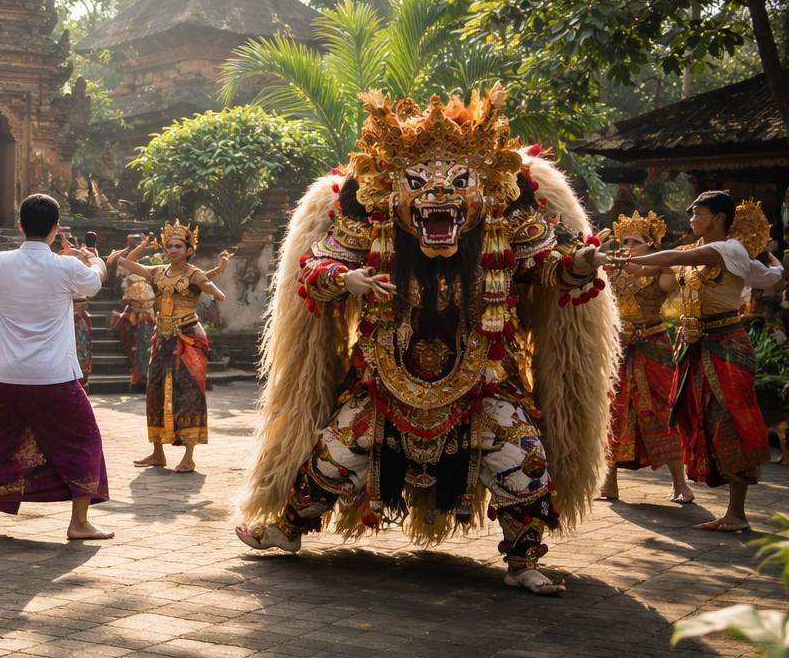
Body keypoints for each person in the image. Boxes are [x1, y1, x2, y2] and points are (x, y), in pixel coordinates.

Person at [235, 87, 619, 595]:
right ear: (391, 192)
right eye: (418, 184)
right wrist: (345, 280)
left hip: (483, 382)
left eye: (459, 183)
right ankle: (288, 529)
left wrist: (581, 265)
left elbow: (548, 267)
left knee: (525, 464)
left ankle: (524, 559)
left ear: (485, 190)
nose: (438, 196)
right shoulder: (371, 225)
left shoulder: (507, 222)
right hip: (384, 382)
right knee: (332, 455)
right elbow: (316, 268)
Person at [0, 193, 113, 541]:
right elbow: (95, 281)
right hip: (56, 375)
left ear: (20, 225)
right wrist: (96, 260)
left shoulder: (2, 263)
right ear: (56, 228)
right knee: (83, 440)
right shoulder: (67, 267)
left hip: (8, 374)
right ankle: (79, 522)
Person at [617, 192, 783, 533]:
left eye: (699, 212)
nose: (691, 217)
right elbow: (767, 276)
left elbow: (679, 256)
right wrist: (614, 260)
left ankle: (737, 513)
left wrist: (774, 266)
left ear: (720, 217)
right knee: (701, 418)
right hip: (695, 346)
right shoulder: (709, 256)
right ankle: (730, 510)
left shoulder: (728, 249)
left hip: (725, 345)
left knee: (730, 421)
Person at [116, 222, 230, 473]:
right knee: (154, 390)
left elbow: (208, 286)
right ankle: (158, 453)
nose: (172, 250)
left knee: (189, 392)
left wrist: (215, 290)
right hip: (163, 338)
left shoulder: (194, 273)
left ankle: (189, 456)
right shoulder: (158, 272)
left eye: (178, 246)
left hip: (188, 337)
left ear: (189, 250)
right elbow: (126, 263)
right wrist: (142, 247)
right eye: (169, 246)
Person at [600, 211, 692, 504]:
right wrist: (599, 252)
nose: (628, 246)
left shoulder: (659, 268)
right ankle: (609, 483)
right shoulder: (614, 269)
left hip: (653, 348)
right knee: (612, 414)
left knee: (662, 413)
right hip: (618, 350)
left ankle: (680, 483)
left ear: (651, 244)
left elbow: (670, 282)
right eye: (624, 241)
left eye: (635, 241)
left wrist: (654, 261)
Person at [110, 258, 156, 391]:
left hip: (137, 317)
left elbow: (127, 300)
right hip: (148, 315)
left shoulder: (132, 282)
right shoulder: (146, 284)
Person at [70, 230, 109, 387]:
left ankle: (81, 381)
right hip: (74, 311)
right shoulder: (90, 257)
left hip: (78, 311)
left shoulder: (81, 256)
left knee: (82, 348)